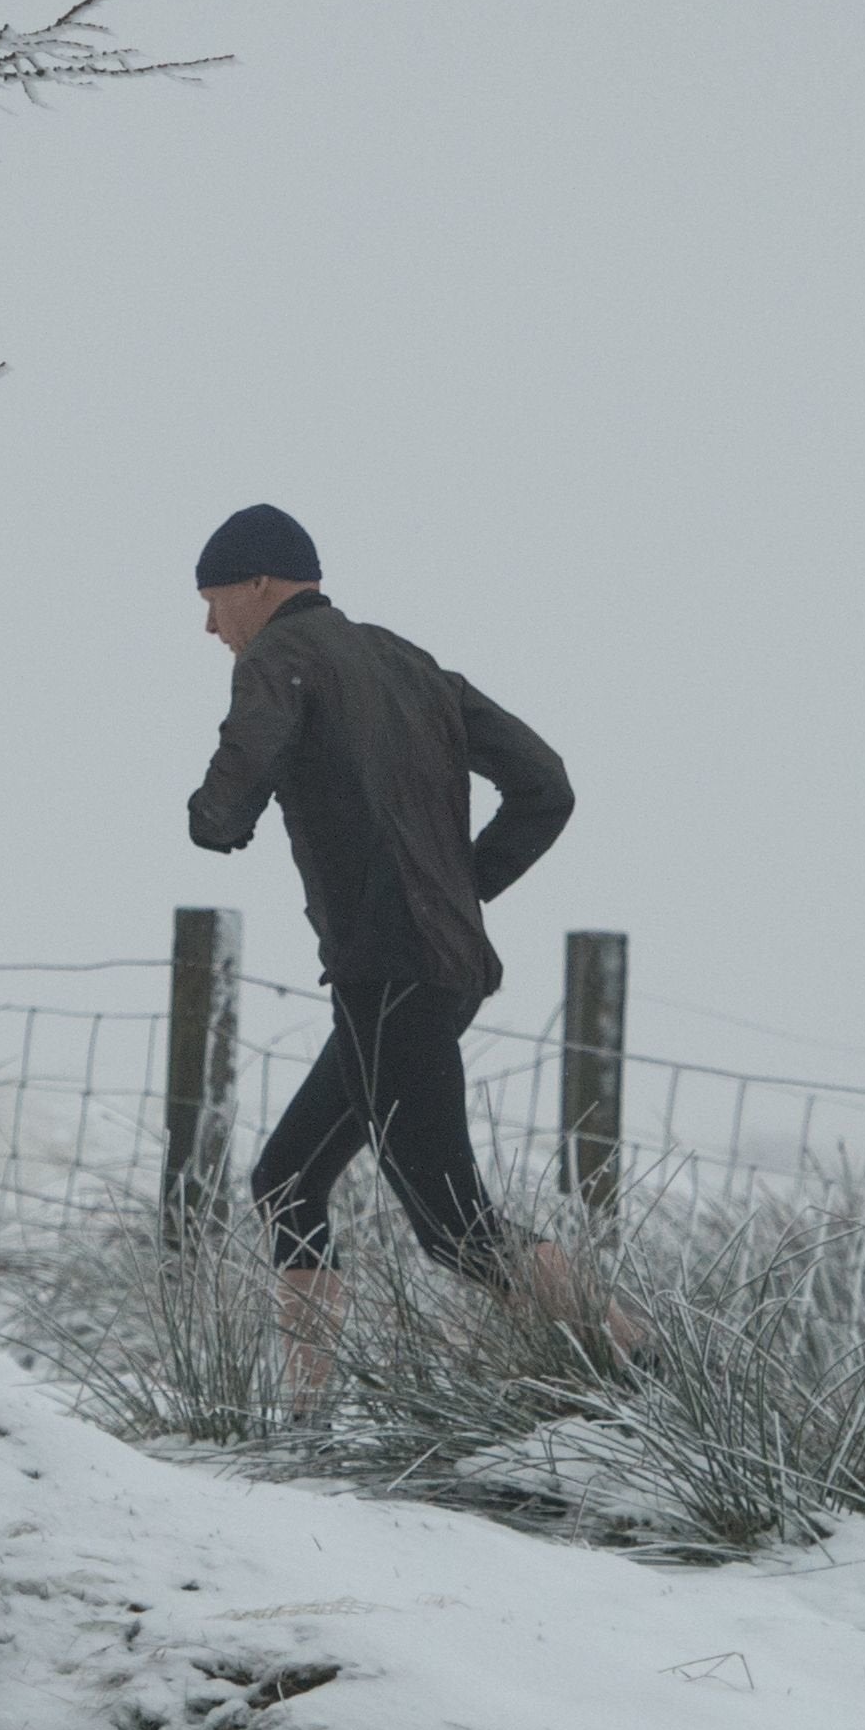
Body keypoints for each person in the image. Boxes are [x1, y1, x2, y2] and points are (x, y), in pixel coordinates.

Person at [182, 502, 636, 1400]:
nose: (208, 627)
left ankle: (640, 1363)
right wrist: (462, 888)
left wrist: (213, 815)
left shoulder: (281, 654)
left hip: (389, 970)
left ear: (260, 585)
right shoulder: (402, 659)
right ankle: (306, 1410)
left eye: (212, 601)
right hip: (428, 967)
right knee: (286, 1180)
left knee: (453, 1227)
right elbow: (544, 785)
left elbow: (238, 781)